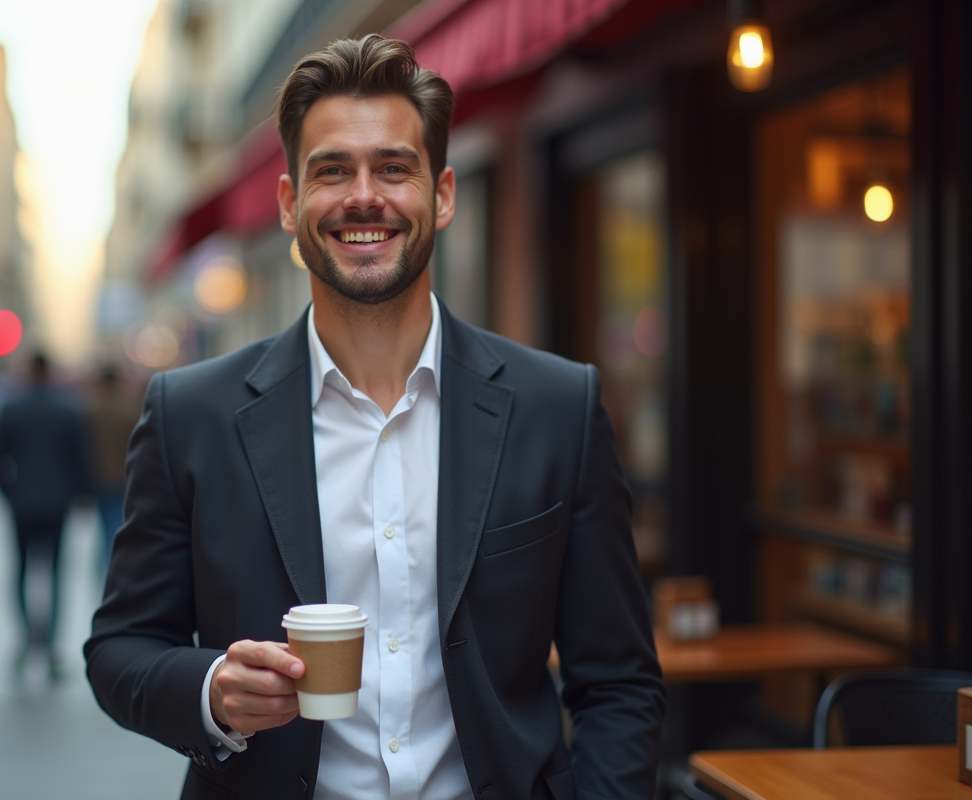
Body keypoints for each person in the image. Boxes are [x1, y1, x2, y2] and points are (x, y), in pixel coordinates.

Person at [85, 35, 664, 800]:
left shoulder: (558, 406)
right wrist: (211, 691)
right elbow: (120, 649)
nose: (365, 196)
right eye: (332, 170)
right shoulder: (191, 413)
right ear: (291, 205)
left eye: (394, 167)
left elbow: (619, 680)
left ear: (443, 194)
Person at [0, 353, 89, 680]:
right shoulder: (67, 409)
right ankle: (49, 644)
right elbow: (79, 458)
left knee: (20, 570)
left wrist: (7, 492)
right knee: (56, 573)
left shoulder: (12, 407)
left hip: (22, 501)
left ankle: (26, 634)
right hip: (57, 503)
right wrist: (77, 495)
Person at [83, 363, 140, 573]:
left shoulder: (89, 409)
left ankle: (105, 569)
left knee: (102, 528)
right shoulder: (130, 410)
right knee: (115, 526)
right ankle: (112, 569)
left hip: (97, 477)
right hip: (123, 478)